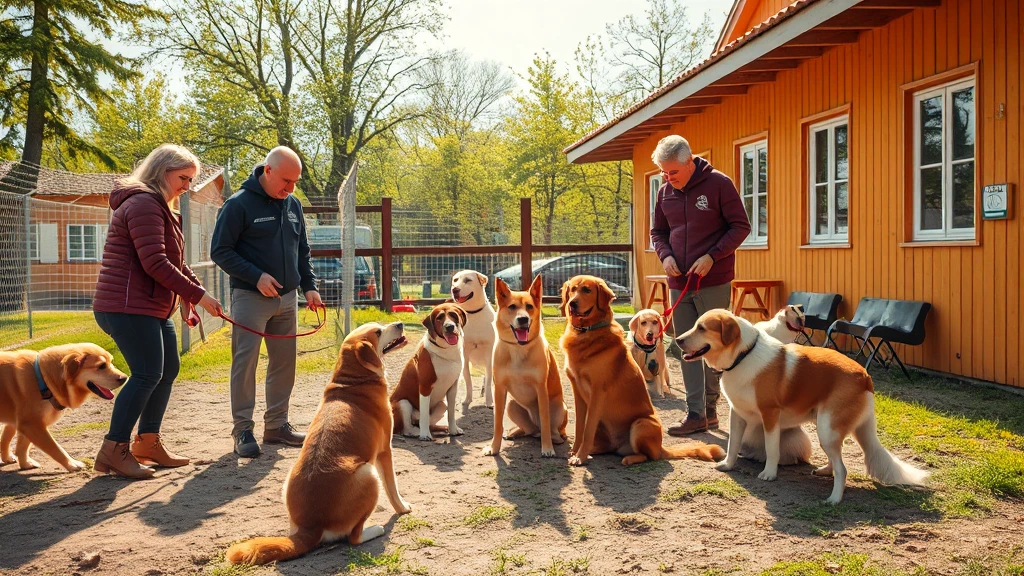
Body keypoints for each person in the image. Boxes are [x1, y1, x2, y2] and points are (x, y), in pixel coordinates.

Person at [93, 144, 224, 479]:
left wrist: (200, 294)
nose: (187, 186)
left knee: (166, 369)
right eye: (183, 178)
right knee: (147, 373)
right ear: (161, 170)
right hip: (126, 307)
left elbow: (176, 263)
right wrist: (199, 296)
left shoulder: (160, 206)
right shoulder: (143, 203)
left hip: (149, 307)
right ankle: (113, 449)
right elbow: (156, 263)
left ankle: (147, 443)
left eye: (191, 180)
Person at [211, 146, 322, 458]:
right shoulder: (238, 205)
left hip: (287, 300)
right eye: (286, 181)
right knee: (245, 364)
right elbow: (220, 251)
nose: (290, 188)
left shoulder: (293, 204)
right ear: (267, 171)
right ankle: (242, 430)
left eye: (295, 183)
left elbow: (302, 248)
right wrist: (256, 275)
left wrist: (309, 286)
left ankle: (276, 425)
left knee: (285, 363)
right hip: (250, 298)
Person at [650, 135, 751, 436]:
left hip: (713, 280)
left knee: (713, 347)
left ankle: (710, 410)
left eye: (673, 173)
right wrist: (665, 256)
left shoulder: (719, 184)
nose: (668, 179)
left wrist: (712, 256)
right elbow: (658, 232)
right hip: (678, 282)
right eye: (663, 174)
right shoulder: (665, 192)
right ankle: (694, 414)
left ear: (690, 162)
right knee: (686, 346)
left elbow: (741, 226)